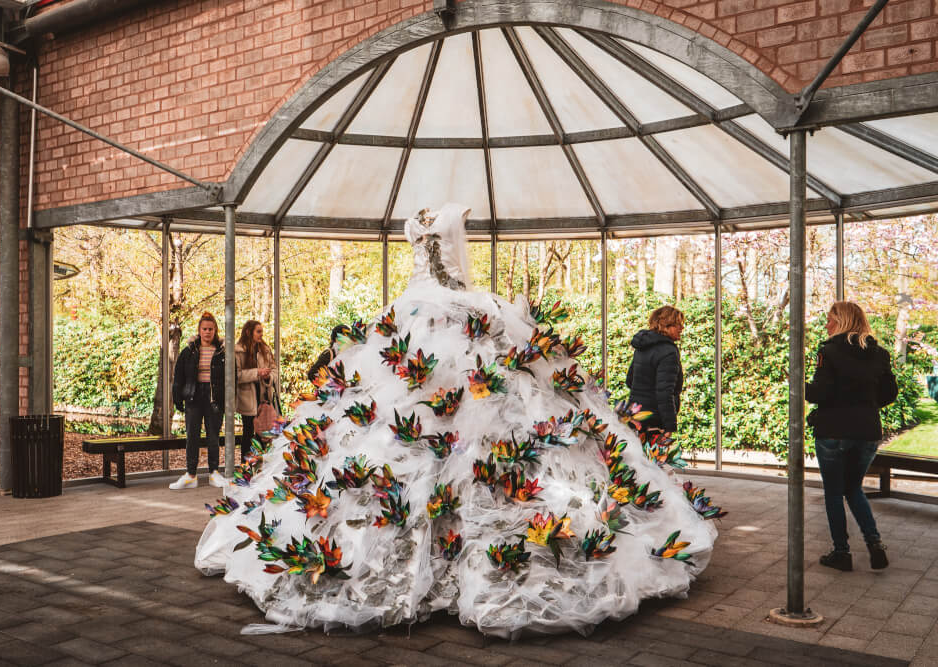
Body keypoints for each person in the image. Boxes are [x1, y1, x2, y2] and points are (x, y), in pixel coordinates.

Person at [193, 204, 718, 638]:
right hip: (428, 309)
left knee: (454, 417)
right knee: (419, 418)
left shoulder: (433, 246)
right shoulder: (448, 271)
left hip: (425, 307)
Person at [807, 301, 898, 571]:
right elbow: (889, 393)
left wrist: (802, 387)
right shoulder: (879, 353)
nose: (826, 325)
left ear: (842, 321)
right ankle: (874, 543)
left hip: (834, 431)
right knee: (853, 488)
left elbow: (820, 393)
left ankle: (842, 552)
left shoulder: (829, 351)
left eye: (830, 320)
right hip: (868, 431)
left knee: (834, 492)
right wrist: (865, 407)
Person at [170, 312, 227, 490]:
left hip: (214, 398)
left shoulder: (222, 352)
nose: (208, 332)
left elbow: (230, 377)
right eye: (205, 329)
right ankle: (191, 475)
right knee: (192, 436)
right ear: (199, 330)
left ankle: (214, 473)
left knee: (213, 436)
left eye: (211, 329)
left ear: (215, 330)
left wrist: (227, 399)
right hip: (194, 397)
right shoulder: (189, 351)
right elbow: (178, 376)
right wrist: (177, 398)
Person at [625, 305, 685, 435]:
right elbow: (665, 392)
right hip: (655, 422)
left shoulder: (641, 346)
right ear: (666, 325)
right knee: (653, 455)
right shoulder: (668, 352)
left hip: (635, 415)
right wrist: (669, 427)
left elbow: (630, 381)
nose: (682, 328)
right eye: (678, 325)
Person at [236, 319, 278, 457]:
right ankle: (246, 466)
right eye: (258, 331)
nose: (261, 334)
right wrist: (257, 373)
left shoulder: (265, 350)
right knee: (248, 433)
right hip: (247, 399)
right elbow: (236, 375)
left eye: (262, 331)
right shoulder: (238, 351)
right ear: (249, 332)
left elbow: (274, 370)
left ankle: (262, 466)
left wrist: (268, 377)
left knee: (264, 434)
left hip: (264, 398)